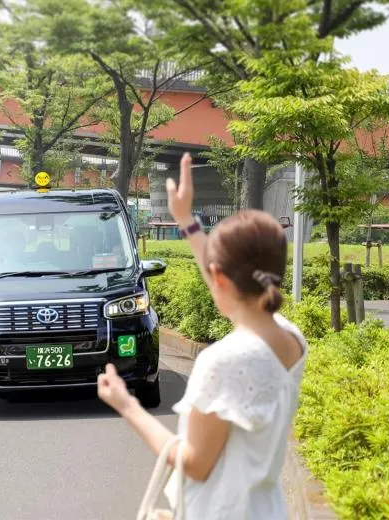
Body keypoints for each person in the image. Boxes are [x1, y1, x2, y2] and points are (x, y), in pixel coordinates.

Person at [97, 152, 309, 519]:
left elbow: (195, 464)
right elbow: (228, 284)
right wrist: (188, 224)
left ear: (222, 278)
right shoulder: (290, 340)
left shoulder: (224, 360)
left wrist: (127, 406)